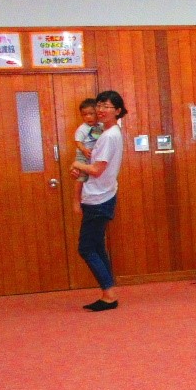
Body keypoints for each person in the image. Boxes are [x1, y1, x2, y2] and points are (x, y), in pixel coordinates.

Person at [70, 90, 126, 311]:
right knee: (97, 246)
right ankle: (108, 291)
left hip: (98, 199)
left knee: (86, 248)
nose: (101, 110)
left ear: (118, 111)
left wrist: (77, 165)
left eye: (107, 107)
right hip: (101, 195)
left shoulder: (109, 136)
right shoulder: (106, 133)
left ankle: (109, 294)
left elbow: (95, 169)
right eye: (100, 106)